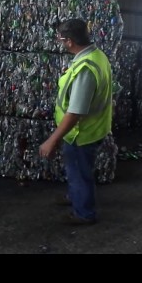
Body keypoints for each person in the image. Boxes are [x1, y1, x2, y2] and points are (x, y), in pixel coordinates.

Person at [39, 19, 113, 225]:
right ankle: (75, 196)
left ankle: (84, 213)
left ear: (69, 41)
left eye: (60, 40)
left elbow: (74, 113)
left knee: (80, 173)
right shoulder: (96, 56)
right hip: (94, 127)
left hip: (82, 133)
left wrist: (52, 140)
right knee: (76, 171)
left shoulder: (85, 69)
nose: (60, 43)